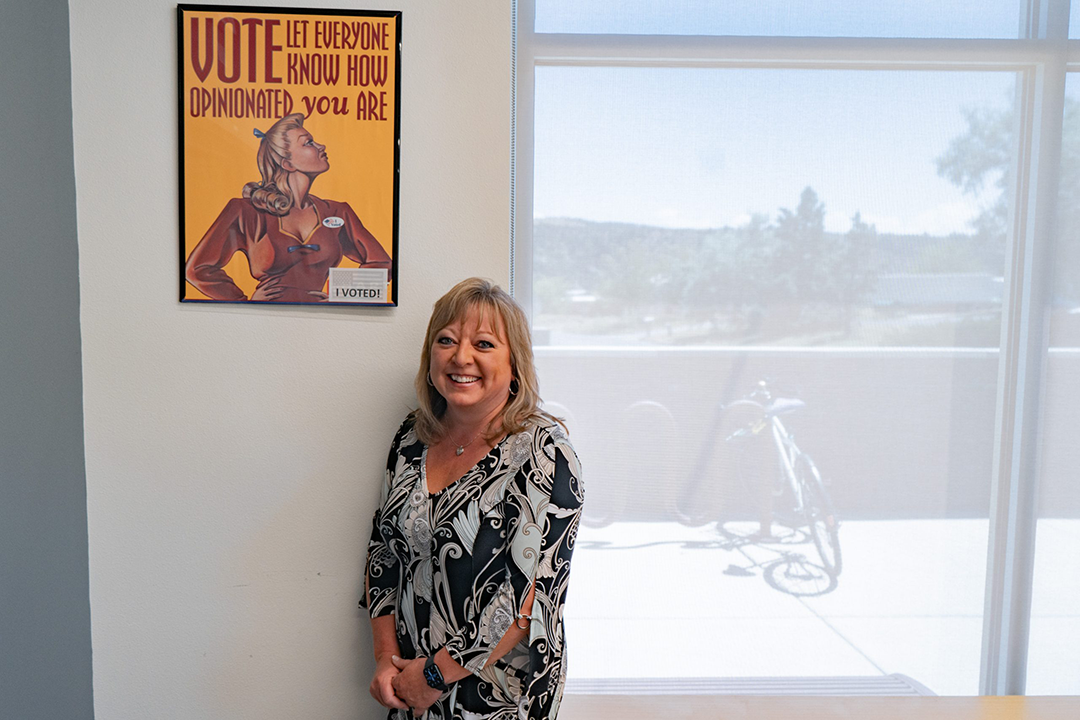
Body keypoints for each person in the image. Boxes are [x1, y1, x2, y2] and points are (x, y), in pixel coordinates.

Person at [361, 278, 583, 719]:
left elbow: (528, 596)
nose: (461, 357)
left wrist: (434, 678)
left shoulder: (544, 451)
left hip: (496, 698)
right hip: (409, 688)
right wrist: (386, 659)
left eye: (483, 344)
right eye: (446, 340)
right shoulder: (412, 436)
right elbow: (382, 552)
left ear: (514, 364)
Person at [184, 113, 391, 303]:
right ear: (287, 164)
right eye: (309, 143)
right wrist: (243, 301)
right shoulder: (245, 211)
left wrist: (340, 295)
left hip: (323, 323)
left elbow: (384, 265)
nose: (321, 146)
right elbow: (197, 269)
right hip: (264, 323)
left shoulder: (338, 212)